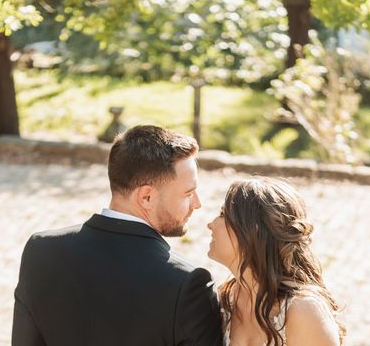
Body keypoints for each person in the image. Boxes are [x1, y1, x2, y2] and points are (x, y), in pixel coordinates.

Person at [12, 125, 223, 346]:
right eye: (188, 193)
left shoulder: (40, 251)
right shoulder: (189, 284)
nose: (197, 204)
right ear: (147, 197)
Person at [207, 177, 344, 346]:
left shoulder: (303, 312)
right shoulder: (226, 299)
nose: (210, 224)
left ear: (253, 231)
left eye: (223, 214)